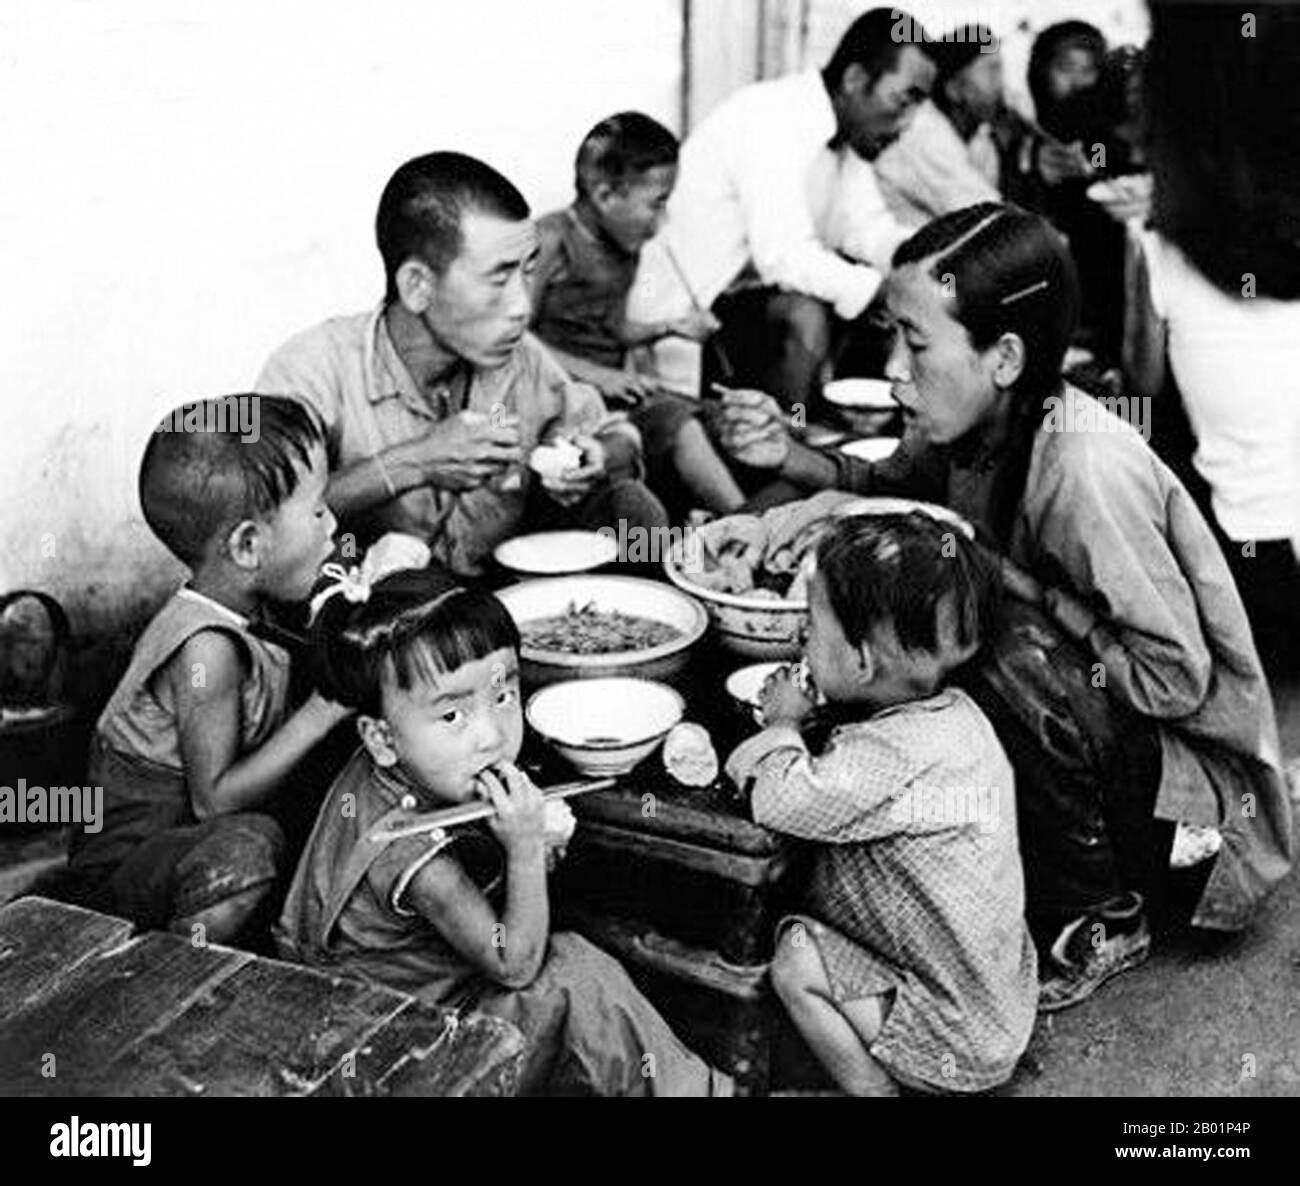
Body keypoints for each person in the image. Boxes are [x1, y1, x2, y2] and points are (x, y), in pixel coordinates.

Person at [714, 204, 1292, 1010]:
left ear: (1005, 356)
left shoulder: (1088, 474)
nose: (893, 370)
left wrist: (1029, 590)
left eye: (915, 344)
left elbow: (1175, 682)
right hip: (1107, 747)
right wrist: (791, 464)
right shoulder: (977, 422)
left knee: (984, 633)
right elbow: (889, 488)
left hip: (1188, 811)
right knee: (946, 596)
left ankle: (1101, 913)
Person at [277, 566, 730, 1096]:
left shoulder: (397, 767)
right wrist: (526, 848)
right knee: (575, 977)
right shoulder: (414, 859)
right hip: (394, 1061)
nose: (491, 735)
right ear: (380, 738)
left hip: (392, 1016)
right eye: (451, 717)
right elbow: (514, 965)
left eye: (502, 695)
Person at [727, 514, 1036, 1095]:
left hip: (956, 1039)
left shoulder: (890, 755)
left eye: (811, 629)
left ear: (865, 663)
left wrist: (785, 723)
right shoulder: (960, 717)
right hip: (997, 1007)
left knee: (795, 960)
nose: (801, 640)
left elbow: (778, 799)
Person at [256, 152, 667, 578]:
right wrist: (415, 461)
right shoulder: (313, 369)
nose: (522, 307)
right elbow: (263, 526)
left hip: (500, 603)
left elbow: (618, 433)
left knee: (632, 510)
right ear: (417, 286)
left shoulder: (520, 358)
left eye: (527, 272)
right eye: (498, 278)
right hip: (382, 621)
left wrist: (596, 455)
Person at [67, 395, 349, 942]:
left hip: (181, 852)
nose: (333, 524)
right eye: (317, 511)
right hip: (126, 879)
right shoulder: (207, 651)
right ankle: (170, 968)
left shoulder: (244, 606)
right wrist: (323, 712)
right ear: (247, 545)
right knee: (250, 850)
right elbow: (212, 799)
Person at [629, 7, 935, 410]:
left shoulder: (848, 142)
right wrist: (887, 290)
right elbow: (785, 256)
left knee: (876, 304)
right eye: (903, 100)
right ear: (855, 79)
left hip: (737, 312)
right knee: (808, 314)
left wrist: (929, 261)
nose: (906, 124)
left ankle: (814, 437)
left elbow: (868, 230)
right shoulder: (772, 118)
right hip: (686, 320)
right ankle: (786, 452)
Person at [531, 112, 744, 516]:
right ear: (606, 195)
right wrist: (601, 376)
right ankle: (743, 522)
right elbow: (517, 340)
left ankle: (745, 515)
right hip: (563, 404)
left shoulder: (623, 247)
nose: (661, 223)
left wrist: (670, 328)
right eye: (656, 204)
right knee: (679, 423)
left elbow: (612, 328)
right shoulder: (552, 239)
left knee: (722, 414)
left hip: (614, 398)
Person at [873, 25, 1004, 228]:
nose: (1001, 84)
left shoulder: (981, 137)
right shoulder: (923, 134)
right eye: (992, 70)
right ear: (955, 89)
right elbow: (990, 223)